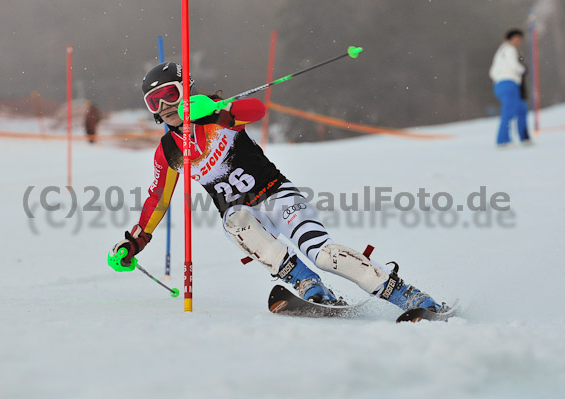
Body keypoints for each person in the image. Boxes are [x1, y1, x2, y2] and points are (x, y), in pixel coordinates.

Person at [109, 61, 446, 312]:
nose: (165, 106)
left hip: (276, 197)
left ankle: (408, 296)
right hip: (242, 216)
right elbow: (157, 199)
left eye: (170, 94)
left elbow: (256, 109)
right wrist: (135, 241)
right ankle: (309, 286)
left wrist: (216, 110)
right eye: (155, 102)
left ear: (186, 89)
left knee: (323, 254)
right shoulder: (169, 151)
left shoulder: (217, 118)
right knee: (235, 222)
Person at [489, 28, 531, 147]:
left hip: (501, 84)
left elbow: (492, 71)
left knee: (521, 109)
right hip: (508, 83)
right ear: (510, 39)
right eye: (516, 39)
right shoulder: (509, 49)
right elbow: (514, 66)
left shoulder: (501, 51)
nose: (518, 42)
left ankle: (524, 138)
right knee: (508, 111)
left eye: (520, 39)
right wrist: (523, 70)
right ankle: (503, 140)